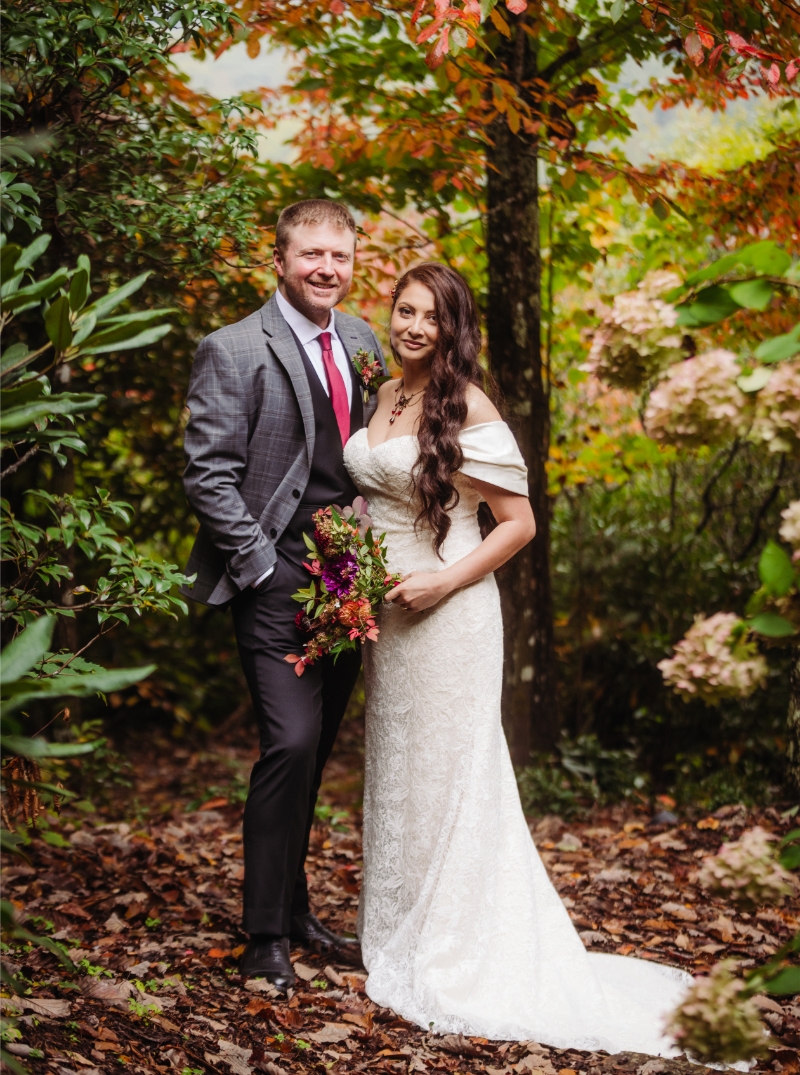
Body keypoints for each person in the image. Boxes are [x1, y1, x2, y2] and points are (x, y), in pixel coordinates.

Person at [343, 263, 692, 1054]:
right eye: (405, 310)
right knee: (402, 769)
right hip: (387, 620)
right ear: (390, 314)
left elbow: (517, 522)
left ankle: (459, 945)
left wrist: (439, 584)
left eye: (433, 316)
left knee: (454, 771)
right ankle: (399, 929)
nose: (414, 326)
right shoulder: (385, 395)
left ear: (453, 327)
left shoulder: (466, 402)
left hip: (449, 610)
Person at [182, 199, 388, 990]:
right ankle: (263, 936)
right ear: (279, 260)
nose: (327, 269)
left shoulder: (365, 338)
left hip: (349, 581)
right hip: (273, 580)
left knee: (316, 752)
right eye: (311, 255)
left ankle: (297, 908)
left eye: (339, 255)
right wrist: (262, 566)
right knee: (290, 746)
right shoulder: (232, 349)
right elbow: (208, 473)